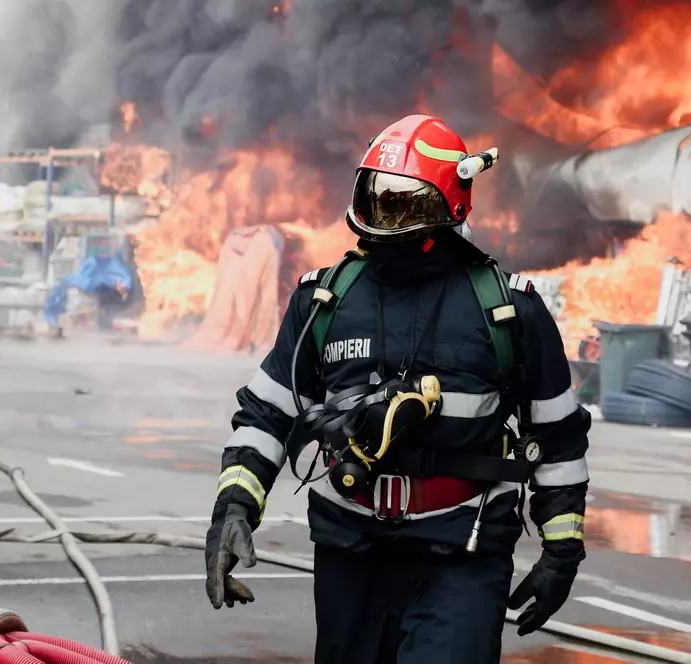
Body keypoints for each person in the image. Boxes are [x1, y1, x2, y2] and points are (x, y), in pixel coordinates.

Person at [203, 114, 591, 664]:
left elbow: (558, 438)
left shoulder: (508, 311)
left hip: (462, 550)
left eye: (405, 202)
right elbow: (267, 414)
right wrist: (234, 511)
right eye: (378, 197)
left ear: (449, 204)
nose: (386, 215)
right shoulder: (324, 302)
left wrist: (561, 551)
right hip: (350, 550)